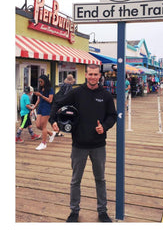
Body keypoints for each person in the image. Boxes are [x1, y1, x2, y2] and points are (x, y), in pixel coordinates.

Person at [50, 63, 117, 223]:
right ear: (85, 75)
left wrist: (105, 127)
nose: (93, 77)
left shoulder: (106, 95)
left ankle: (102, 211)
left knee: (100, 179)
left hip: (98, 145)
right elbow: (57, 103)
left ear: (100, 76)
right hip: (79, 144)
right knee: (75, 180)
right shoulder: (76, 93)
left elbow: (112, 116)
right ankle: (74, 211)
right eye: (90, 74)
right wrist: (53, 120)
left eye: (95, 74)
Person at [33, 75, 56, 150]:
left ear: (45, 81)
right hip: (40, 108)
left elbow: (50, 100)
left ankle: (43, 143)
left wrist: (41, 95)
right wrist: (34, 107)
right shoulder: (40, 88)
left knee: (43, 126)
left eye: (41, 81)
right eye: (39, 81)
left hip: (47, 108)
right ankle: (51, 133)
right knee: (38, 125)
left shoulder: (50, 89)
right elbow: (39, 99)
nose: (40, 83)